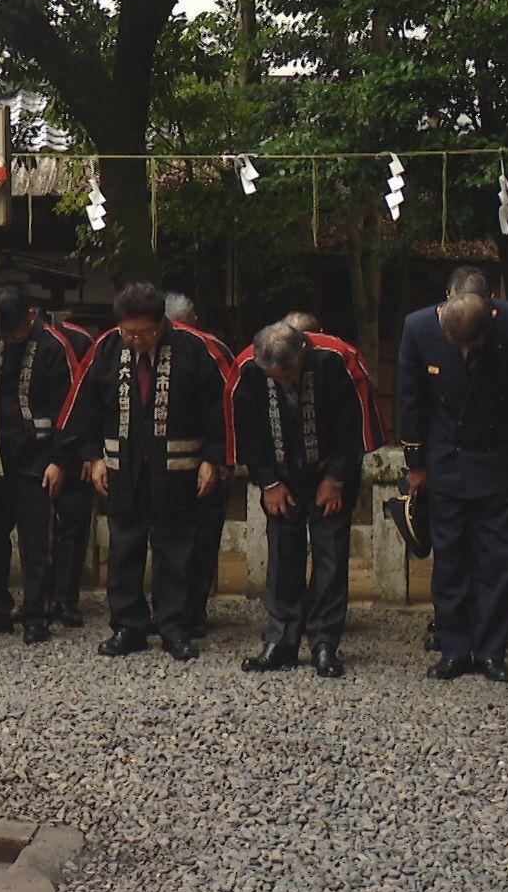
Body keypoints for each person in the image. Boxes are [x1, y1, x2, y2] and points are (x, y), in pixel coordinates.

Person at [58, 283, 230, 661]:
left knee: (175, 551)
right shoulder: (107, 348)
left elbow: (220, 409)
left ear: (161, 323)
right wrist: (93, 456)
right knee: (124, 549)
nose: (135, 340)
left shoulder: (195, 348)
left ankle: (174, 627)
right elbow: (84, 405)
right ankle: (127, 625)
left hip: (179, 471)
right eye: (128, 332)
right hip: (124, 470)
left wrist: (212, 459)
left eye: (144, 333)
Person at [397, 289, 508, 682]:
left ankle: (491, 651)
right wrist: (415, 462)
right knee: (450, 560)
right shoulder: (417, 327)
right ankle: (453, 648)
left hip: (499, 454)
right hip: (446, 457)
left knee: (495, 560)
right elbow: (410, 396)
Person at [230, 323, 364, 678]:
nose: (284, 382)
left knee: (331, 555)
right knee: (282, 554)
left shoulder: (333, 361)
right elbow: (245, 431)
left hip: (329, 470)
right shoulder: (248, 371)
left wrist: (335, 478)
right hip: (281, 475)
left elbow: (355, 426)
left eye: (288, 374)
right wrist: (268, 483)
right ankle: (282, 640)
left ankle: (324, 642)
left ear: (302, 352)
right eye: (276, 376)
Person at [0, 287, 75, 643]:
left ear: (30, 317)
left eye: (15, 331)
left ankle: (36, 615)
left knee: (35, 544)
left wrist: (59, 460)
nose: (11, 338)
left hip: (36, 457)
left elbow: (68, 409)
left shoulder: (52, 347)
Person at [164, 293, 235, 640]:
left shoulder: (211, 349)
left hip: (203, 461)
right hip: (165, 466)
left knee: (201, 540)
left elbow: (227, 407)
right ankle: (174, 612)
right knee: (172, 541)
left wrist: (218, 457)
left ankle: (191, 612)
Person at [37, 307, 95, 628]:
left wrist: (88, 450)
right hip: (36, 452)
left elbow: (90, 400)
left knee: (72, 526)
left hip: (75, 449)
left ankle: (66, 597)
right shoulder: (17, 341)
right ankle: (42, 595)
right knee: (39, 529)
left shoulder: (79, 341)